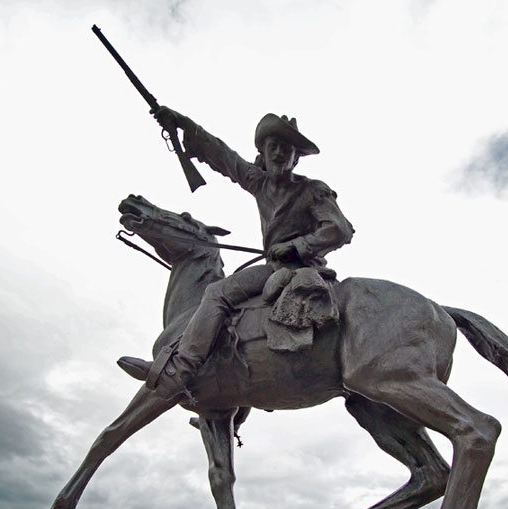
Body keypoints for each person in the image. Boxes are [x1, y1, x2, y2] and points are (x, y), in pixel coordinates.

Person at [133, 107, 355, 400]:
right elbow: (223, 156)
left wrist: (296, 246)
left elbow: (339, 229)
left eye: (286, 150)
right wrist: (181, 123)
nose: (279, 154)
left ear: (295, 157)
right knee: (238, 325)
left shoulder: (313, 190)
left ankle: (182, 368)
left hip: (298, 268)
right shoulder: (258, 183)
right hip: (273, 269)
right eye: (273, 147)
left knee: (217, 293)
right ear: (262, 153)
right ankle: (230, 403)